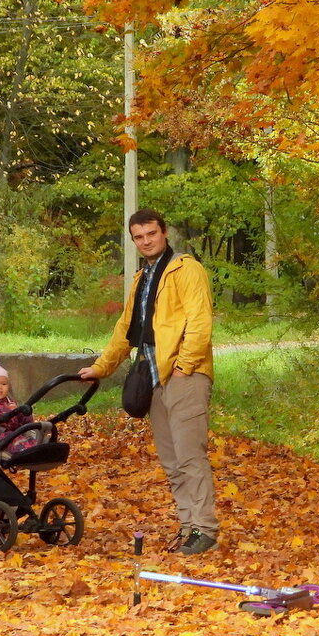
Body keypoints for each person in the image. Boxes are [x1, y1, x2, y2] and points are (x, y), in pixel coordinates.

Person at [78, 209, 220, 555]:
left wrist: (185, 365)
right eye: (139, 237)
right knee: (172, 462)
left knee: (190, 457)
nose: (146, 241)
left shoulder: (187, 270)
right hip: (153, 375)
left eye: (151, 234)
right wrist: (102, 367)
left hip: (184, 374)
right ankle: (188, 528)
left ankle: (205, 529)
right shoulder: (141, 278)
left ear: (164, 233)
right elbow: (126, 330)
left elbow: (200, 322)